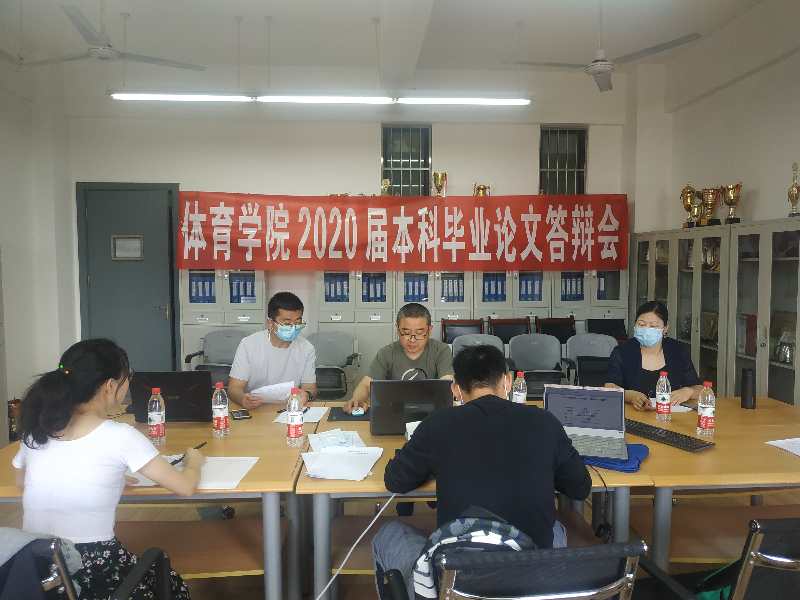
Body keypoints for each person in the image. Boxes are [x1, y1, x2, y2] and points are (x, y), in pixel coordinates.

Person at [372, 344, 592, 599]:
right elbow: (580, 487)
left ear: (456, 389)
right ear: (507, 381)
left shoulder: (438, 424)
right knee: (556, 529)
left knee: (387, 533)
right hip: (528, 579)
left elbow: (395, 480)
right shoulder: (545, 422)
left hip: (456, 579)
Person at [12, 338, 204, 600]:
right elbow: (184, 487)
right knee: (170, 583)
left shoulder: (37, 430)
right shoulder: (120, 436)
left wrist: (100, 479)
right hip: (91, 570)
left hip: (36, 568)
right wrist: (194, 462)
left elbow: (22, 481)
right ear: (110, 386)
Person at [344, 303, 453, 414]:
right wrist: (357, 400)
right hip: (394, 412)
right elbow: (366, 384)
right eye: (406, 333)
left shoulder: (441, 350)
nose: (412, 340)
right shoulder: (386, 353)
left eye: (419, 333)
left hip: (431, 414)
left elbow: (446, 383)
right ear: (397, 329)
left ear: (429, 330)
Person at [605, 300, 702, 410]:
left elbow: (700, 389)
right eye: (641, 324)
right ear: (635, 325)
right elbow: (609, 387)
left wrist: (689, 392)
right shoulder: (622, 351)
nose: (647, 330)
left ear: (665, 328)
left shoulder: (678, 350)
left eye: (653, 326)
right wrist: (630, 396)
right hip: (633, 415)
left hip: (669, 416)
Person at [228, 291, 317, 410]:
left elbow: (310, 388)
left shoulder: (306, 348)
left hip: (290, 409)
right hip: (255, 409)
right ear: (270, 323)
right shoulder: (249, 345)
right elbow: (234, 388)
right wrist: (243, 399)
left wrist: (307, 395)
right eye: (287, 323)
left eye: (297, 322)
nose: (294, 328)